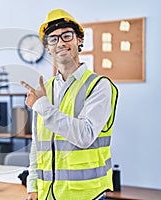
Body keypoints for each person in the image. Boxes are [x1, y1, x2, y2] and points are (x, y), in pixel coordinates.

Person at [20, 9, 118, 200]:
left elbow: (85, 136)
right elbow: (37, 144)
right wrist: (32, 186)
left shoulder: (99, 86)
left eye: (67, 36)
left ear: (79, 40)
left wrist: (42, 106)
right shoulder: (44, 90)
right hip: (47, 194)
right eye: (53, 39)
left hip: (86, 195)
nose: (60, 43)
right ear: (48, 48)